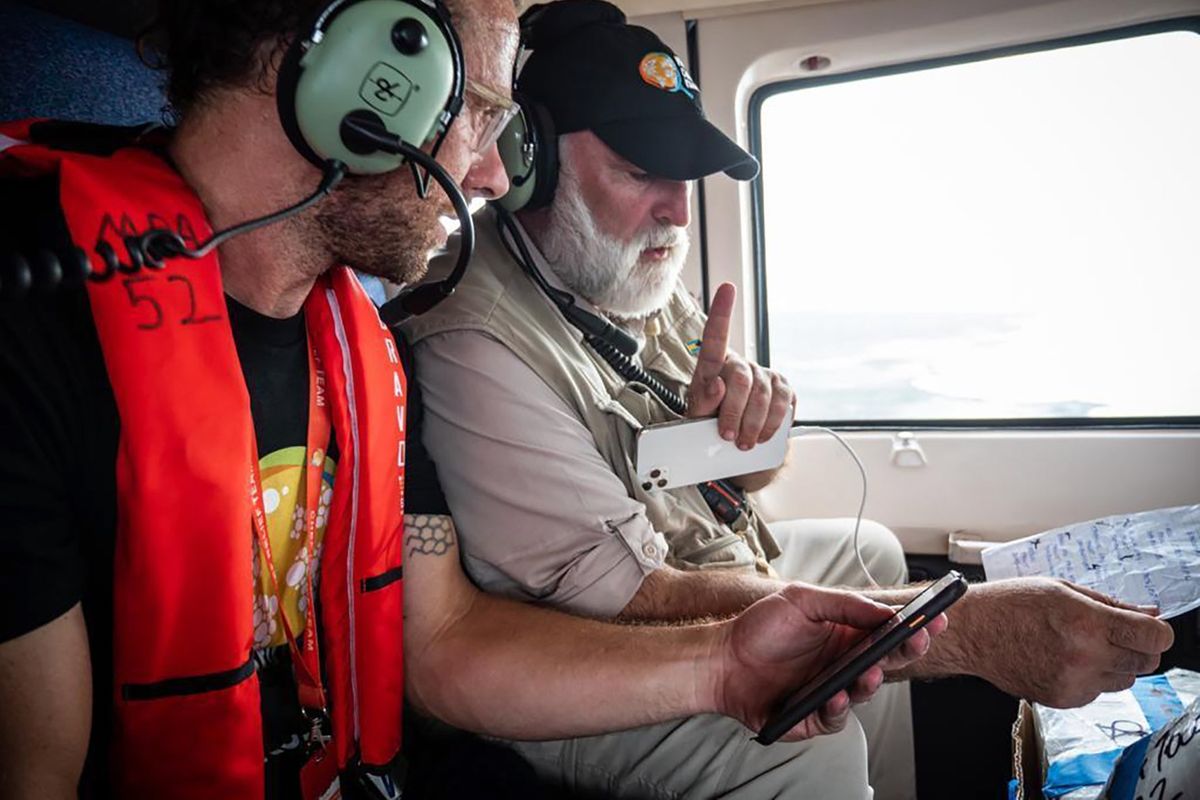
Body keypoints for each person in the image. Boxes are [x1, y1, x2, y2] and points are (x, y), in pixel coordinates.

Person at [0, 1, 945, 798]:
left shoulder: (358, 343)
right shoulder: (31, 322)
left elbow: (443, 639)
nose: (493, 179)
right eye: (485, 118)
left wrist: (725, 666)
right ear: (367, 81)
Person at [399, 2, 1178, 798]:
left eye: (687, 177)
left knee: (869, 548)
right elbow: (633, 597)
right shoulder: (475, 339)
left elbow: (741, 487)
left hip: (686, 564)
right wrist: (966, 628)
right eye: (642, 173)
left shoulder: (620, 268)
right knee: (806, 751)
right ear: (531, 163)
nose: (677, 209)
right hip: (583, 648)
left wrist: (750, 438)